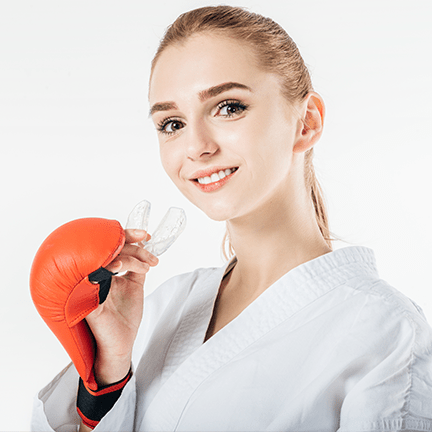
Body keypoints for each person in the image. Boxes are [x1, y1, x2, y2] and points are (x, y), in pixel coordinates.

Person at [31, 5, 432, 431]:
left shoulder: (385, 333)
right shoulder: (165, 306)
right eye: (171, 123)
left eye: (228, 107)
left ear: (306, 122)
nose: (197, 146)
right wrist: (109, 371)